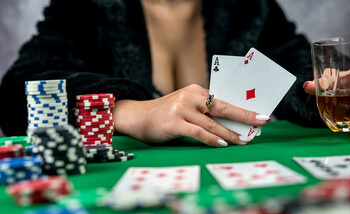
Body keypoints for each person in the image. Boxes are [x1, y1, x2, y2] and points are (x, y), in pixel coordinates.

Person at [0, 0, 324, 147]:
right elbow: (18, 93)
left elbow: (300, 77)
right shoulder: (87, 6)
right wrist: (127, 112)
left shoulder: (248, 6)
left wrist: (333, 88)